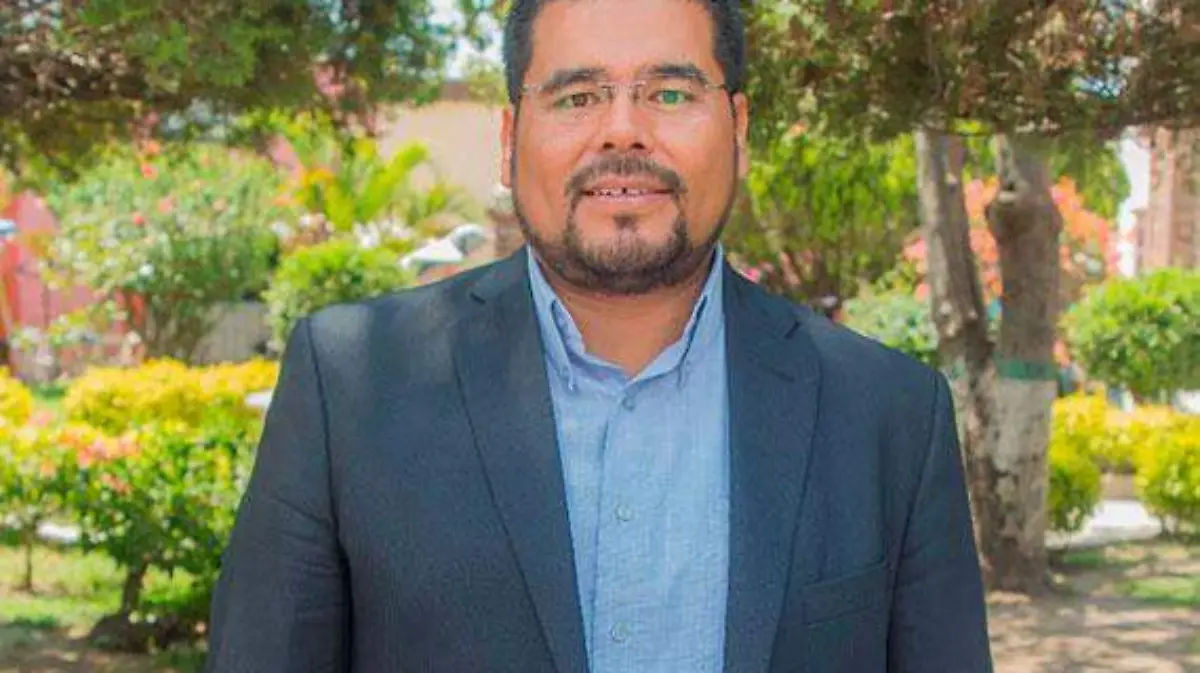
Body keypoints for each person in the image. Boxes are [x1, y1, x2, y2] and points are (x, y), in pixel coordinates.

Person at [204, 0, 994, 671]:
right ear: (509, 137)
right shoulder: (350, 386)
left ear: (739, 129)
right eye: (577, 96)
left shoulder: (891, 414)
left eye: (671, 93)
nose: (623, 132)